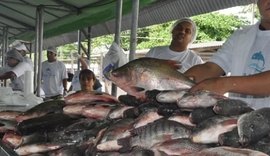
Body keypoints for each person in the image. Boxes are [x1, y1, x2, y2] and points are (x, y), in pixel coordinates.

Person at [184, 0, 270, 109]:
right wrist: (175, 80)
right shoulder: (241, 35)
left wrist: (224, 84)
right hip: (237, 119)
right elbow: (211, 68)